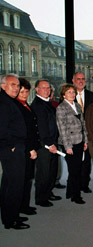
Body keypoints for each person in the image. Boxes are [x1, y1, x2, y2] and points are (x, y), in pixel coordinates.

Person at [0, 74, 29, 230]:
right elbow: (2, 127)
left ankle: (9, 215)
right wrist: (10, 145)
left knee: (9, 183)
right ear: (3, 86)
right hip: (11, 149)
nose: (16, 88)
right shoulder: (3, 103)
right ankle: (11, 220)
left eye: (18, 85)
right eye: (13, 85)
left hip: (13, 147)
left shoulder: (8, 101)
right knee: (14, 185)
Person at [56, 84, 88, 204]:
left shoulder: (78, 106)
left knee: (77, 168)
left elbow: (83, 124)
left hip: (80, 140)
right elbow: (62, 129)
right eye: (69, 92)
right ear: (63, 94)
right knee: (74, 170)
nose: (72, 94)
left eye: (73, 92)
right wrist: (67, 146)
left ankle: (70, 191)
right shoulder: (61, 108)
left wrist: (86, 140)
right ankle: (76, 195)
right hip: (69, 143)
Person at [31, 79, 60, 207]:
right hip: (44, 144)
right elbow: (41, 128)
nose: (47, 90)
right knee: (44, 172)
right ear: (37, 89)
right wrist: (49, 144)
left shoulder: (47, 103)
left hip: (52, 142)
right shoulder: (37, 105)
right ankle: (41, 198)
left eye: (48, 88)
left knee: (52, 170)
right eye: (43, 88)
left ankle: (48, 193)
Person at [14, 78, 40, 215]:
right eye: (21, 92)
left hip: (30, 148)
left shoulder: (26, 105)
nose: (24, 94)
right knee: (22, 180)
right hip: (24, 149)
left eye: (26, 91)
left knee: (28, 179)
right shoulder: (17, 107)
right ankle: (19, 207)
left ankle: (24, 205)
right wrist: (30, 149)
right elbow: (23, 131)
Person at [72, 72, 93, 194]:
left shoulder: (91, 96)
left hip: (88, 133)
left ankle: (84, 184)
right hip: (74, 134)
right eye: (78, 79)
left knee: (87, 161)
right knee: (75, 162)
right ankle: (74, 186)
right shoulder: (68, 96)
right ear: (73, 80)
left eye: (82, 79)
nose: (81, 81)